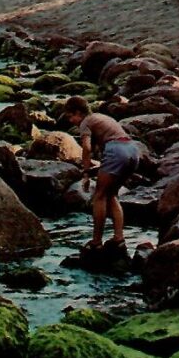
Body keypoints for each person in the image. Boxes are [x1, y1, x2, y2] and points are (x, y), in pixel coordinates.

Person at [63, 96, 140, 254]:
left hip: (116, 151)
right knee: (112, 195)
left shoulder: (86, 122)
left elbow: (86, 148)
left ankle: (96, 242)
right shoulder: (102, 117)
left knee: (99, 196)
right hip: (133, 151)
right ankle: (119, 239)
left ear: (78, 112)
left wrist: (85, 174)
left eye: (70, 116)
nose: (71, 121)